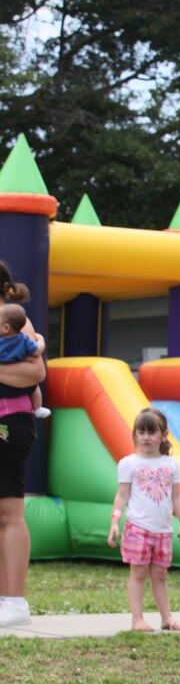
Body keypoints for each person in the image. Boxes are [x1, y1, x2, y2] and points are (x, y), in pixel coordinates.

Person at [107, 407, 180, 632]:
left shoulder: (171, 465)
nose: (145, 437)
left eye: (151, 432)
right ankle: (137, 619)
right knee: (139, 573)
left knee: (160, 575)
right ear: (135, 435)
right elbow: (122, 495)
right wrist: (115, 521)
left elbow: (177, 496)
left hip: (163, 530)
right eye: (141, 432)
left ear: (163, 436)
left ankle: (166, 617)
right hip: (138, 528)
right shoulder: (129, 464)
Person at [0, 261, 46, 627]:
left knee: (9, 512)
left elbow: (36, 372)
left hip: (9, 423)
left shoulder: (15, 322)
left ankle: (14, 601)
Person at [0, 303, 51, 419]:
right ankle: (38, 408)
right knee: (34, 388)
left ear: (6, 327)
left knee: (33, 385)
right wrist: (41, 340)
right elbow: (37, 350)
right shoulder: (22, 339)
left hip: (12, 413)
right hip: (17, 401)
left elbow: (38, 371)